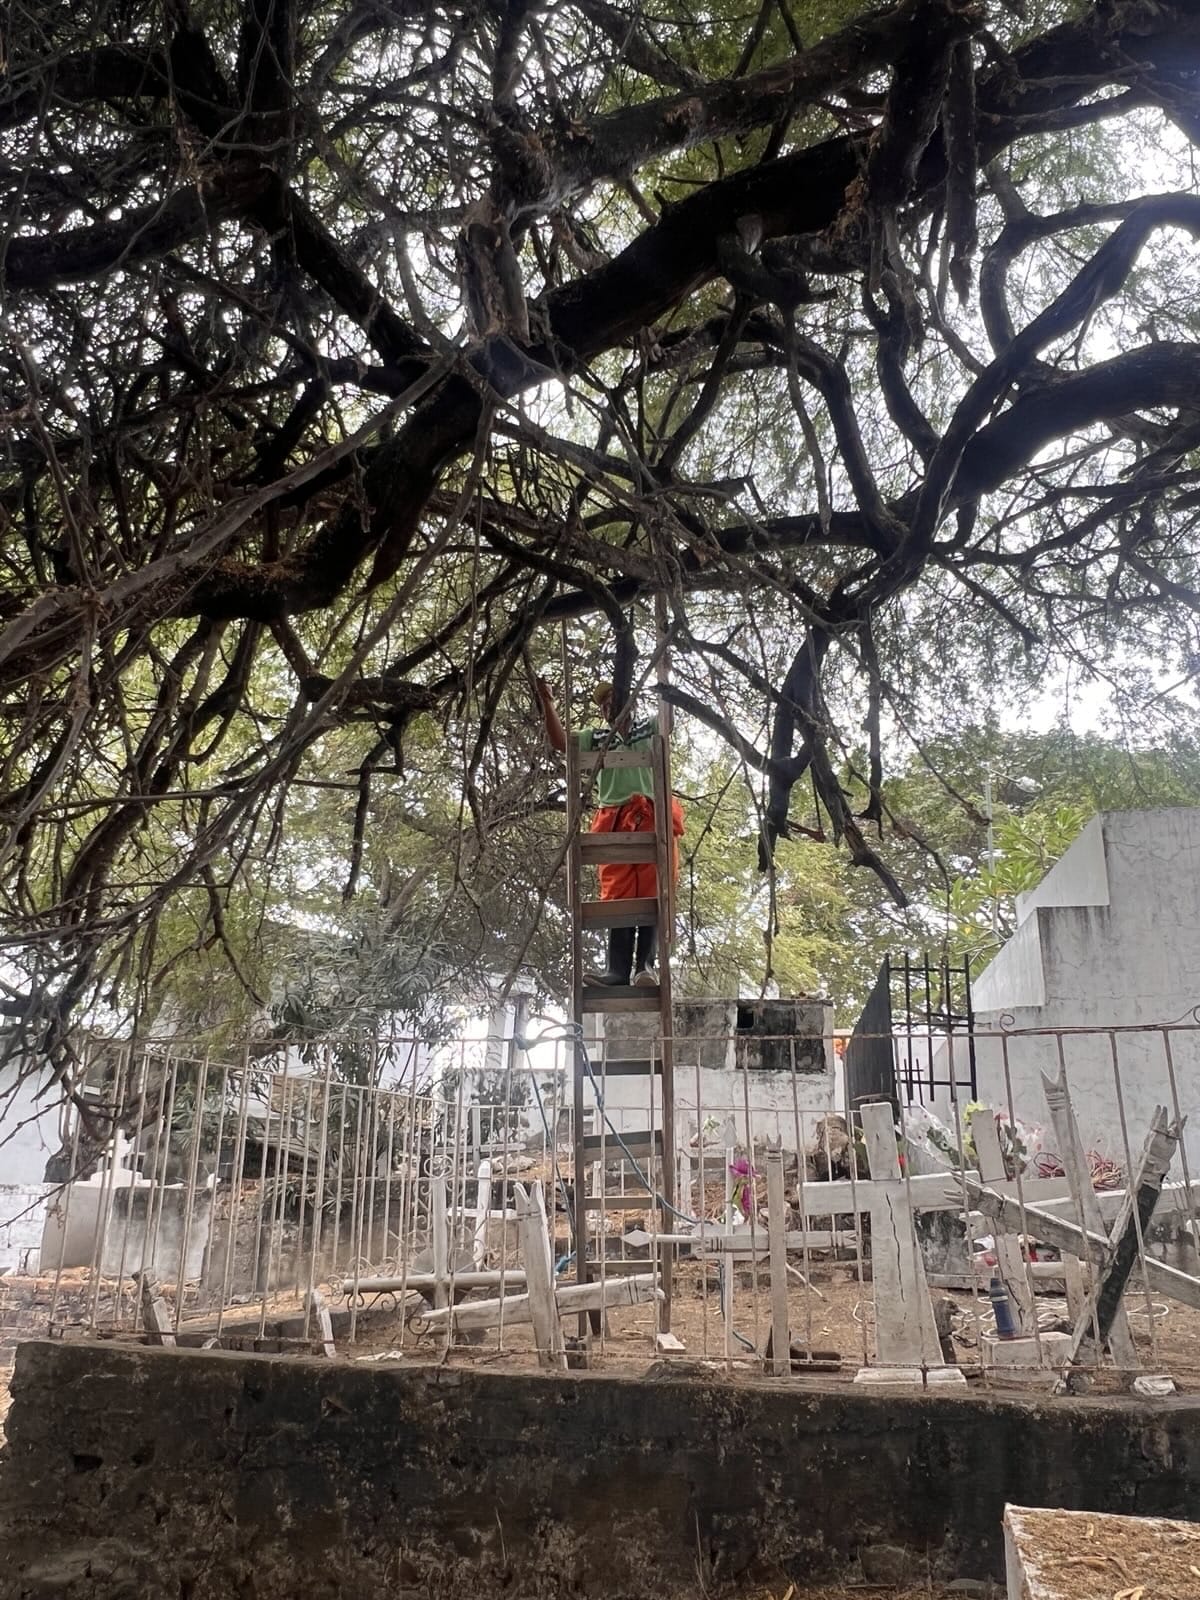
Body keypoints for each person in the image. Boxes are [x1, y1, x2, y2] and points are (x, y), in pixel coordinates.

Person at [536, 675, 684, 988]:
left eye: (613, 700)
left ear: (630, 702)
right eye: (603, 704)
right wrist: (547, 701)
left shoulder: (647, 728)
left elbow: (668, 722)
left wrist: (665, 680)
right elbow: (562, 743)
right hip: (613, 819)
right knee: (618, 893)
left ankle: (645, 967)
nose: (607, 707)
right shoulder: (598, 736)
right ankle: (617, 971)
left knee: (653, 890)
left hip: (650, 815)